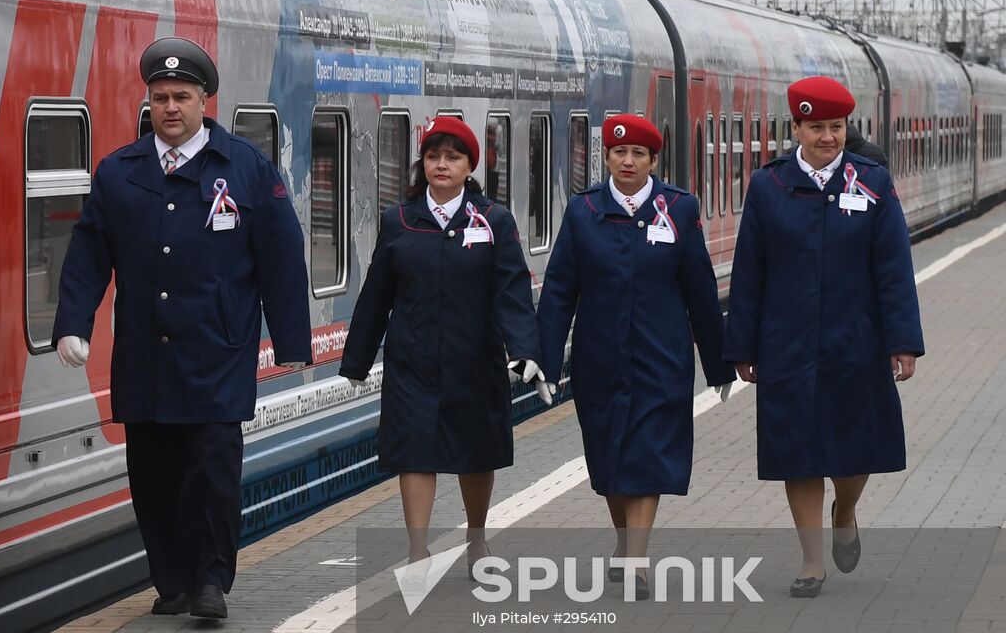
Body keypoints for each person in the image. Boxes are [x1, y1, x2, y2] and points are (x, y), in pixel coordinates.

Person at [52, 36, 312, 621]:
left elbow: (281, 256)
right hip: (145, 351)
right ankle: (170, 582)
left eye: (182, 97)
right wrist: (73, 323)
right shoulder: (121, 173)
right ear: (149, 102)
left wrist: (292, 341)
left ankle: (211, 580)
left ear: (204, 102)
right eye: (161, 97)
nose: (170, 107)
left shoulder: (244, 170)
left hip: (218, 350)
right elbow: (89, 252)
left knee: (213, 470)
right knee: (153, 473)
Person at [724, 76, 924, 598]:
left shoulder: (872, 183)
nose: (828, 137)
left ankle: (847, 509)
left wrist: (902, 341)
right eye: (817, 127)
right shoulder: (769, 185)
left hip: (855, 341)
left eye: (836, 127)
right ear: (797, 128)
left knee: (854, 452)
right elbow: (750, 270)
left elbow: (894, 269)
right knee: (797, 449)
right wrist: (741, 346)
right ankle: (812, 562)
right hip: (786, 344)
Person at [535, 114, 733, 600]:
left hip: (661, 356)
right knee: (609, 460)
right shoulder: (583, 212)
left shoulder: (678, 211)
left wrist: (718, 363)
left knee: (647, 455)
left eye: (638, 154)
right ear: (606, 157)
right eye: (619, 153)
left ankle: (636, 561)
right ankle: (625, 544)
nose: (627, 161)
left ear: (653, 161)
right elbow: (560, 290)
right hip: (598, 358)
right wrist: (544, 359)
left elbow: (701, 290)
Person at [339, 116, 544, 571]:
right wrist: (356, 361)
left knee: (475, 452)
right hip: (412, 360)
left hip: (474, 359)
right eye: (433, 156)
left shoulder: (493, 221)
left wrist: (525, 351)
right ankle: (417, 549)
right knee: (415, 451)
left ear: (470, 165)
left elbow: (511, 292)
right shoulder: (400, 221)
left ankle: (476, 538)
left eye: (453, 157)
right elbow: (376, 295)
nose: (441, 165)